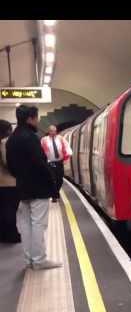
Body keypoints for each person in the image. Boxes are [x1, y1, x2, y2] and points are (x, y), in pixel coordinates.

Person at [6, 105, 61, 270]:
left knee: (26, 225)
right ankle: (39, 260)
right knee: (38, 224)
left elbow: (10, 166)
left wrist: (21, 178)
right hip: (38, 188)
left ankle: (30, 259)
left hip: (22, 187)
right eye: (36, 118)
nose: (37, 121)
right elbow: (40, 164)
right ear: (30, 118)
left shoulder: (12, 139)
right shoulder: (30, 137)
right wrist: (53, 187)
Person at [0, 119, 21, 243]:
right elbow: (7, 161)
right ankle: (11, 235)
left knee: (2, 209)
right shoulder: (4, 143)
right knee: (10, 210)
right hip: (7, 182)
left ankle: (3, 234)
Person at [40, 124, 72, 202]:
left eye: (54, 131)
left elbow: (67, 147)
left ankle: (56, 192)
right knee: (52, 179)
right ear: (49, 131)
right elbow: (40, 150)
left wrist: (67, 156)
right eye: (51, 131)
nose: (53, 132)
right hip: (49, 162)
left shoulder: (61, 139)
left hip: (59, 162)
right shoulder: (44, 140)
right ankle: (54, 195)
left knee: (59, 179)